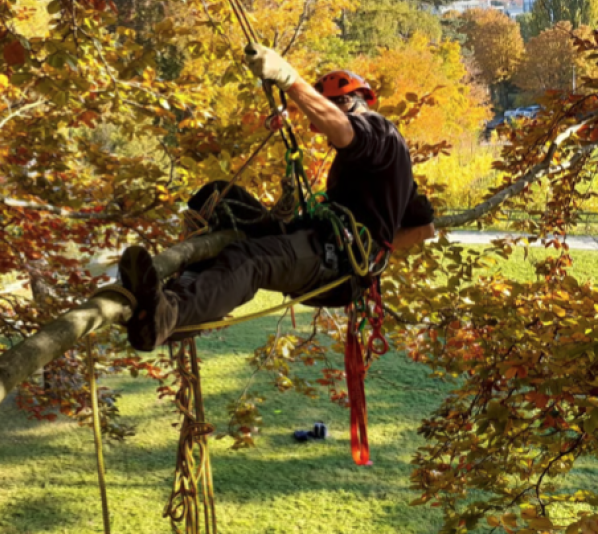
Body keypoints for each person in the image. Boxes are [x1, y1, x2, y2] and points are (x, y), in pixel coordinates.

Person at [117, 44, 435, 352]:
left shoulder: (377, 128)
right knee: (218, 196)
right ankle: (173, 305)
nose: (323, 134)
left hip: (334, 262)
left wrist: (289, 78)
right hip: (319, 242)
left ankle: (169, 315)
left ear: (348, 102)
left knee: (250, 259)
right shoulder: (392, 165)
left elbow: (343, 131)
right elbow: (424, 228)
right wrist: (376, 250)